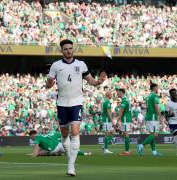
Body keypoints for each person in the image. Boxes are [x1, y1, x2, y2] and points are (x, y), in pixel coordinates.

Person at [46, 39, 106, 176]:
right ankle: (70, 158)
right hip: (62, 103)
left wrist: (99, 82)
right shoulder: (55, 65)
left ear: (73, 49)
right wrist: (49, 82)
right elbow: (49, 85)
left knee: (75, 131)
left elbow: (90, 81)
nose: (68, 51)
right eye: (65, 49)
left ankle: (71, 166)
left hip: (76, 102)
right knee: (65, 134)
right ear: (62, 51)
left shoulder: (81, 64)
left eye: (70, 48)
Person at [138, 83, 164, 156]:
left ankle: (154, 152)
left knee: (152, 134)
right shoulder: (154, 96)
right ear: (154, 88)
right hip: (153, 117)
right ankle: (141, 145)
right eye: (157, 87)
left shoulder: (148, 96)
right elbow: (157, 107)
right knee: (155, 134)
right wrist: (161, 119)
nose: (158, 89)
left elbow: (148, 106)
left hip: (149, 116)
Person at [116, 88, 132, 156]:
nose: (117, 93)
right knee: (125, 133)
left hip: (125, 118)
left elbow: (121, 111)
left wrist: (117, 120)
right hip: (127, 118)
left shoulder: (124, 100)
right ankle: (127, 150)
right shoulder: (126, 99)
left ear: (121, 92)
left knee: (126, 133)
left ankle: (127, 151)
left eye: (118, 92)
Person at [165, 88, 177, 155]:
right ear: (170, 95)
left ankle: (174, 141)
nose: (174, 94)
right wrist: (170, 115)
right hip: (172, 122)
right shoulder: (168, 104)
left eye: (175, 93)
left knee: (175, 137)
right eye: (172, 93)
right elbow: (166, 114)